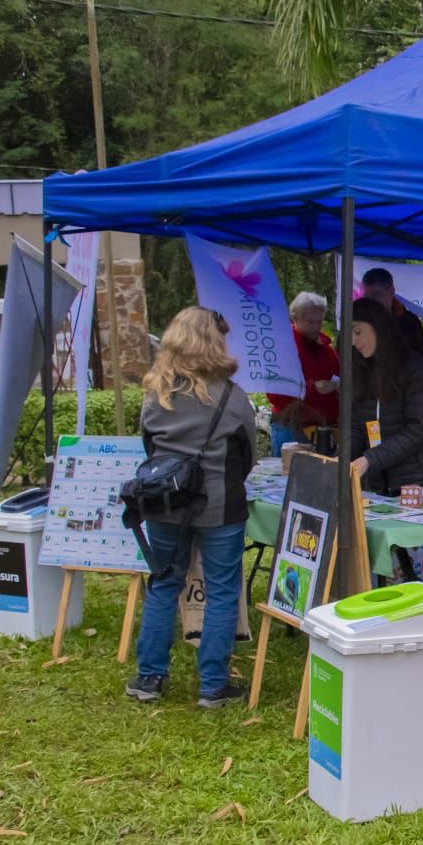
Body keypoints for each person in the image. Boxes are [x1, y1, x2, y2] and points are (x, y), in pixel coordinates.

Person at [127, 306, 257, 708]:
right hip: (220, 507)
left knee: (164, 583)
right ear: (214, 343)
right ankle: (213, 685)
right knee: (221, 592)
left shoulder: (156, 395)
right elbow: (248, 454)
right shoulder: (233, 398)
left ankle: (149, 677)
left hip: (165, 504)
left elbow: (151, 449)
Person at [349, 296, 423, 495]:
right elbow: (356, 426)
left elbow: (417, 429)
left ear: (377, 327)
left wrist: (369, 459)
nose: (353, 341)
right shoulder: (360, 370)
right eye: (350, 334)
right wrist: (342, 458)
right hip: (386, 484)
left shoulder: (415, 369)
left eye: (358, 332)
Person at [266, 291, 340, 455]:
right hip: (290, 427)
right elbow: (275, 392)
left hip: (323, 429)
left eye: (319, 321)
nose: (315, 327)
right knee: (288, 476)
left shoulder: (327, 351)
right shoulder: (283, 346)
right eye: (310, 321)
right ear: (295, 318)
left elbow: (339, 379)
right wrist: (313, 388)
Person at [359, 266, 423, 369]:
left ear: (391, 291)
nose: (371, 302)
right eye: (367, 297)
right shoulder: (359, 324)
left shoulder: (409, 324)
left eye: (376, 295)